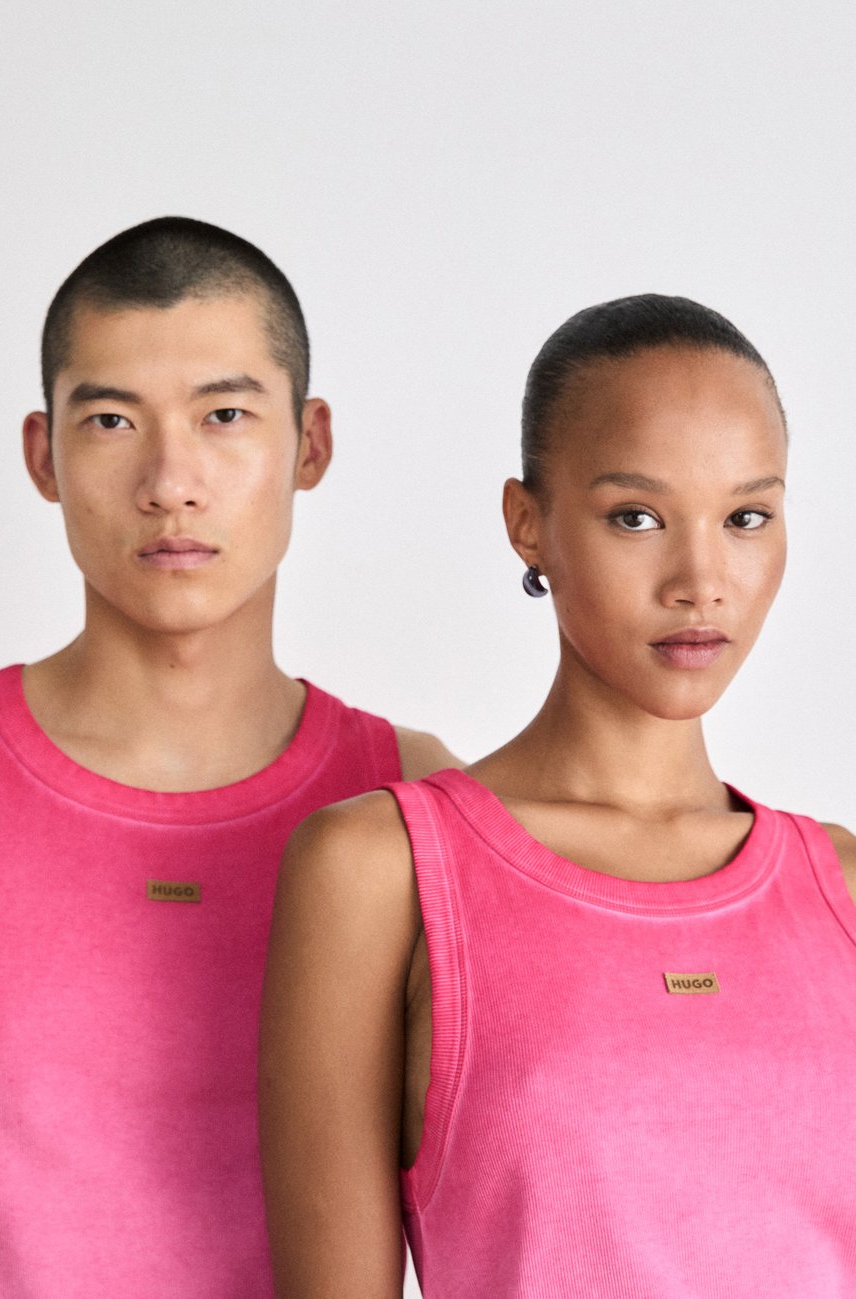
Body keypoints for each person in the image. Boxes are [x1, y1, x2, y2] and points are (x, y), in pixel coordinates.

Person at [260, 293, 856, 1298]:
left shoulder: (841, 886)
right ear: (528, 524)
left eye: (746, 517)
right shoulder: (381, 870)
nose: (701, 579)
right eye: (637, 517)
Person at [0, 216, 456, 1298]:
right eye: (111, 420)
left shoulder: (410, 800)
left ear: (310, 444)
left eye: (224, 415)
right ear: (43, 456)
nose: (170, 482)